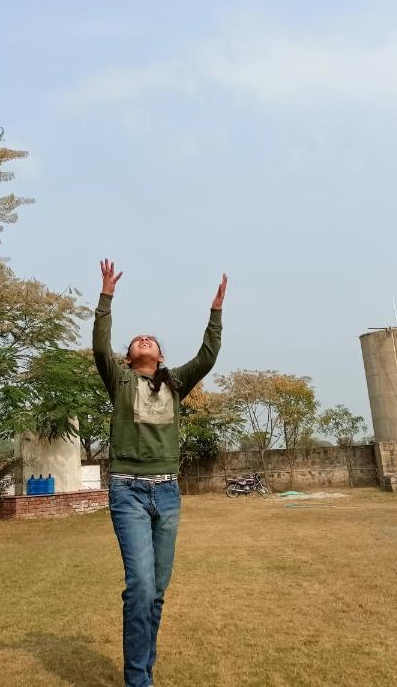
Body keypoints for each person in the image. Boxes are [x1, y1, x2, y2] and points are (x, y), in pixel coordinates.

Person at [93, 260, 226, 687]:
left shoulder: (174, 383)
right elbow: (99, 347)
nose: (144, 341)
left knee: (157, 592)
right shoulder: (120, 382)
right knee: (140, 587)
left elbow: (207, 357)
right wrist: (106, 298)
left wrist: (215, 314)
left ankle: (144, 671)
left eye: (150, 340)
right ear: (130, 359)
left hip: (167, 492)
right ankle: (138, 680)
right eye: (137, 341)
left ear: (160, 356)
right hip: (128, 491)